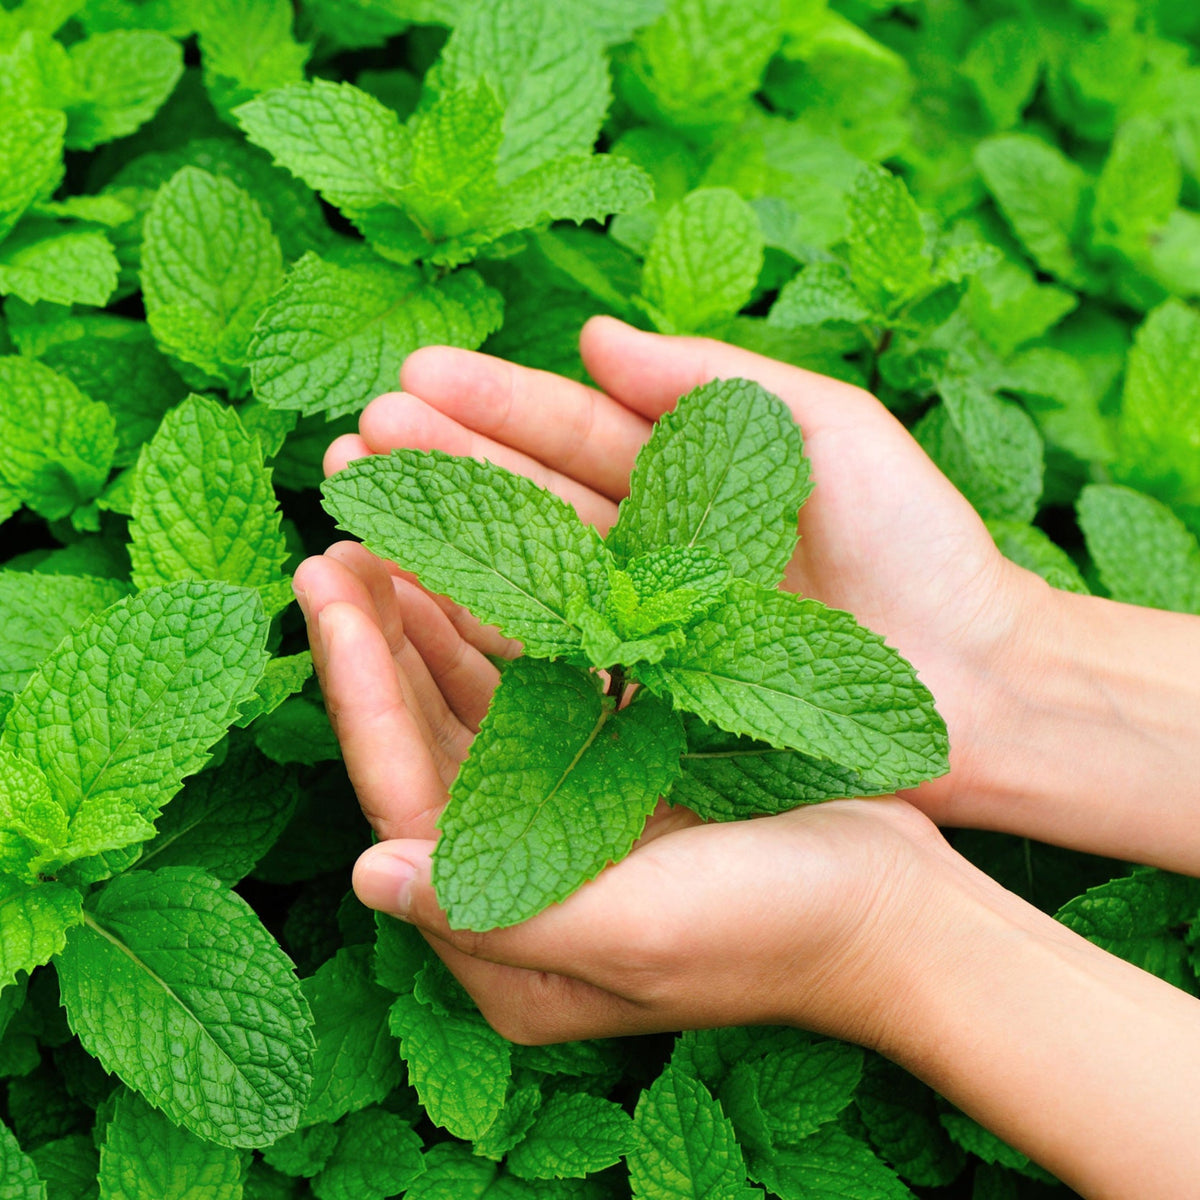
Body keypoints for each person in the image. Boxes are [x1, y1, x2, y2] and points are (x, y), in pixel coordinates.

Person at [291, 316, 1200, 1198]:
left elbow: (882, 727)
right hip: (624, 636)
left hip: (658, 647)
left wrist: (882, 933)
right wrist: (1008, 666)